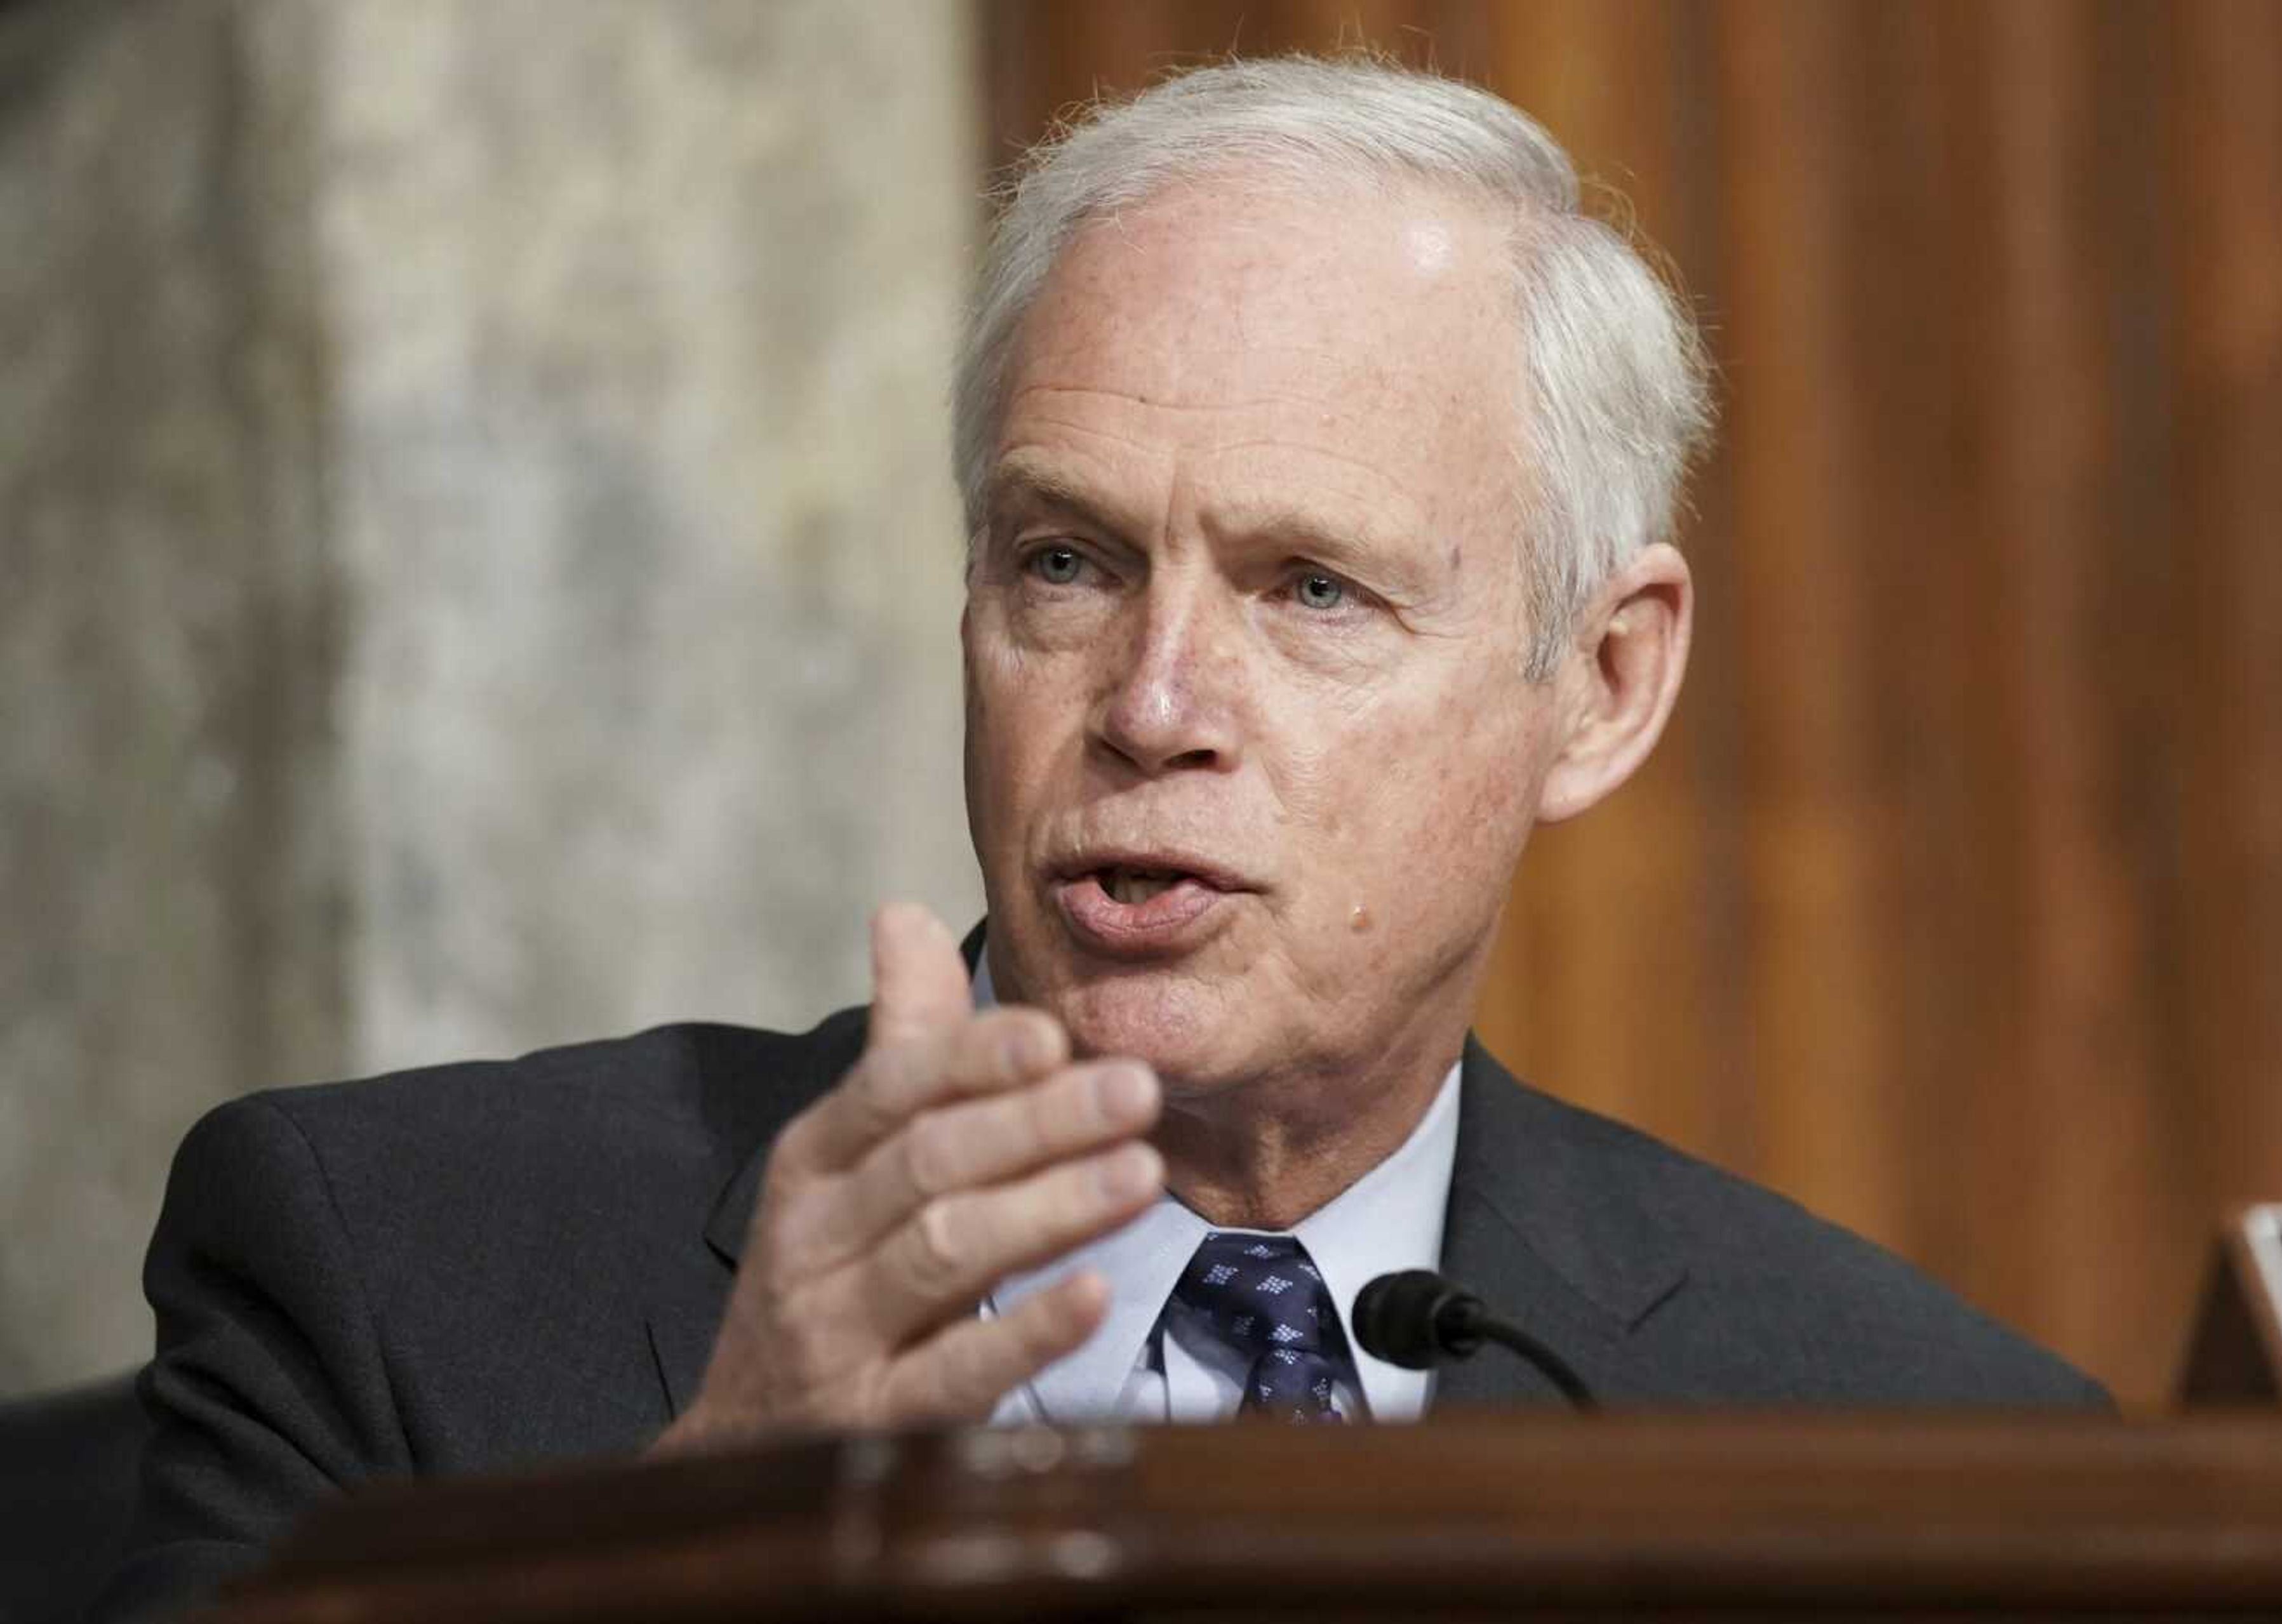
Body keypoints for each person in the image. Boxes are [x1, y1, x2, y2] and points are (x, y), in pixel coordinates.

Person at [97, 55, 2104, 1620]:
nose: (1151, 707)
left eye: (1312, 590)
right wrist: (690, 1552)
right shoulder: (385, 1272)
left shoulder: (1924, 1440)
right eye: (1067, 561)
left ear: (1600, 684)